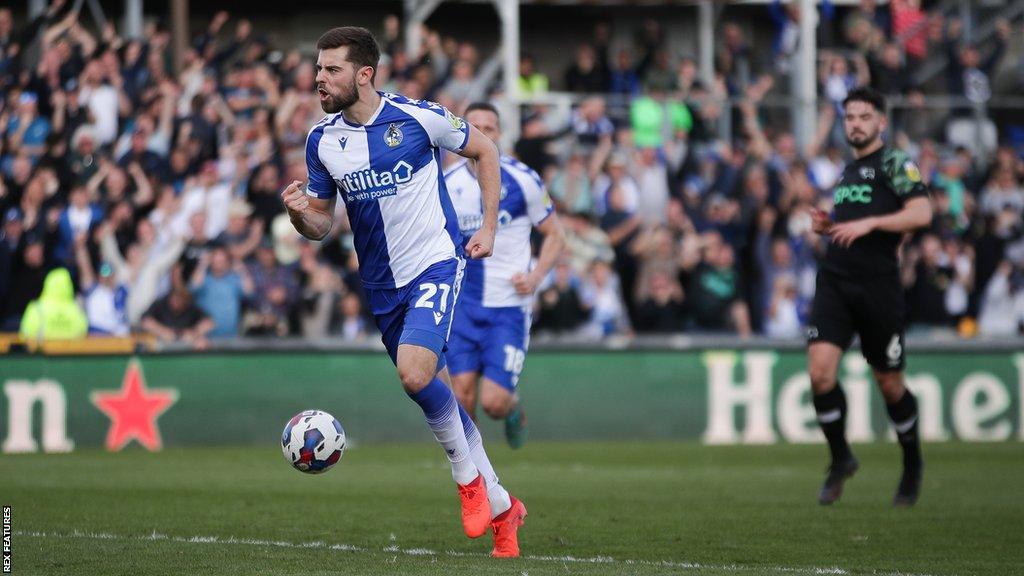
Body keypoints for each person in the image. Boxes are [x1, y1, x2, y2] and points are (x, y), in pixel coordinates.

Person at [279, 27, 526, 557]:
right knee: (434, 393)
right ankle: (504, 508)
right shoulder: (322, 141)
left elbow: (485, 151)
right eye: (318, 69)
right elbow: (322, 226)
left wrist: (487, 228)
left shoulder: (419, 117)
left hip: (435, 263)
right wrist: (302, 215)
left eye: (332, 70)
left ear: (364, 74)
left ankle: (469, 481)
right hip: (382, 285)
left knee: (415, 375)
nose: (319, 78)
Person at [807, 87, 932, 507]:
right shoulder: (847, 171)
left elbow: (922, 212)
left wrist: (871, 224)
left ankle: (912, 463)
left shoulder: (895, 163)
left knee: (889, 383)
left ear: (880, 121)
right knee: (820, 372)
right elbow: (851, 223)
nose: (855, 124)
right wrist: (829, 226)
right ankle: (840, 458)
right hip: (836, 282)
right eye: (849, 117)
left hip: (878, 286)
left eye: (863, 116)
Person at [443, 101, 565, 449]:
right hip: (462, 306)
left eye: (490, 127)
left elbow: (556, 234)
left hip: (509, 305)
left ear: (500, 134)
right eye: (474, 125)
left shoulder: (523, 179)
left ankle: (513, 409)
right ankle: (478, 480)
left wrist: (537, 275)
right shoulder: (446, 183)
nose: (481, 133)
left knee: (493, 404)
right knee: (461, 399)